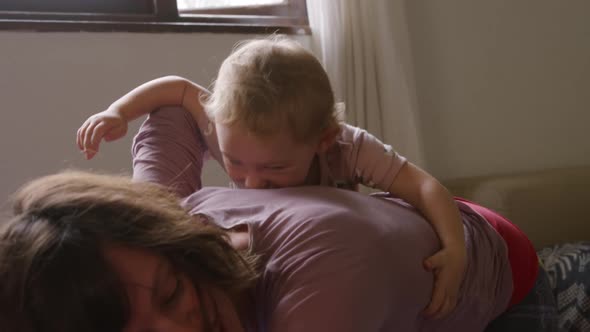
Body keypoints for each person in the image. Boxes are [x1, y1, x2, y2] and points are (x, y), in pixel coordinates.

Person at [77, 36, 468, 317]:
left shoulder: (344, 146)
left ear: (323, 138)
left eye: (274, 169)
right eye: (236, 164)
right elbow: (177, 89)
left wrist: (455, 249)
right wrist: (118, 112)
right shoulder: (228, 124)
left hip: (315, 259)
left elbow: (424, 186)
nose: (251, 183)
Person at [0, 170, 546, 332]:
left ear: (180, 245)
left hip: (500, 257)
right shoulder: (194, 212)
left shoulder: (324, 289)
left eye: (171, 294)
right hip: (400, 226)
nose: (179, 331)